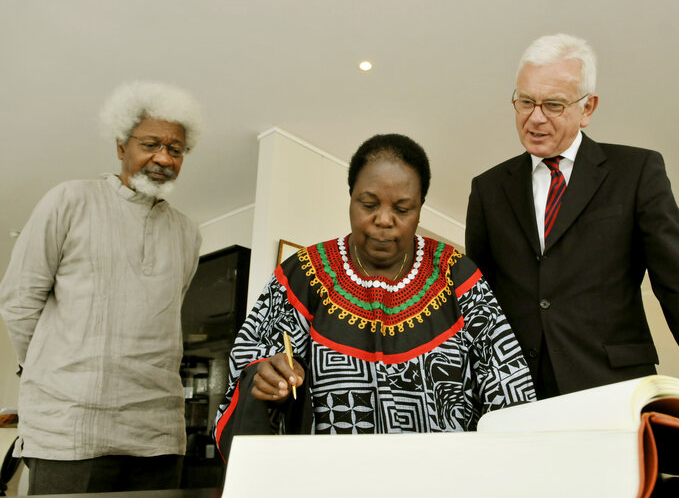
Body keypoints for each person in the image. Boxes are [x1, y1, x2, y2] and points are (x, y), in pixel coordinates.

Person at [465, 34, 679, 404]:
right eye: (525, 102)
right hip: (518, 397)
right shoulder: (489, 190)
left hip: (615, 391)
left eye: (552, 104)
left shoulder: (636, 172)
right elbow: (480, 308)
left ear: (587, 108)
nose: (534, 118)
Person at [214, 134, 534, 459]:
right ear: (350, 197)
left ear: (420, 209)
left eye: (403, 208)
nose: (383, 219)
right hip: (330, 477)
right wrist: (270, 378)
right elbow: (251, 360)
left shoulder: (457, 274)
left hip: (443, 476)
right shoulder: (303, 275)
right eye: (368, 205)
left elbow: (507, 380)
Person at [0, 80, 204, 494]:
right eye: (150, 144)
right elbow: (20, 301)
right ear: (120, 147)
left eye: (175, 149)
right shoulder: (69, 201)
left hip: (157, 433)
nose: (163, 157)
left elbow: (165, 318)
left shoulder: (187, 232)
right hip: (70, 430)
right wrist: (52, 370)